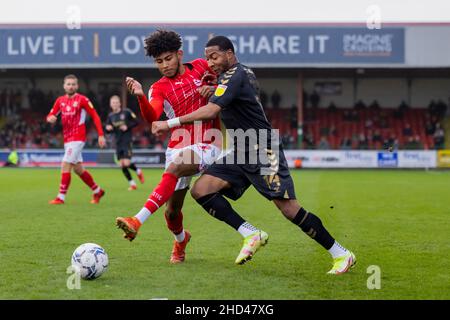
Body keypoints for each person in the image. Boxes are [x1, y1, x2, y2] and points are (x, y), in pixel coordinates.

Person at [152, 35, 356, 274]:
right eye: (207, 57)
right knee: (201, 189)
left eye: (215, 56)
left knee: (289, 208)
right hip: (241, 148)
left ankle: (340, 253)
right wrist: (213, 87)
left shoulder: (235, 74)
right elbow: (225, 93)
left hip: (261, 146)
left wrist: (169, 123)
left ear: (229, 53)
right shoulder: (233, 75)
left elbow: (211, 111)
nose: (210, 62)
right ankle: (251, 234)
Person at [115, 29, 224, 264]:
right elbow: (153, 117)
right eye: (159, 61)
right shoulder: (159, 88)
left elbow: (227, 82)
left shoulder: (201, 67)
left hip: (208, 140)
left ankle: (137, 220)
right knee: (171, 212)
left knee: (175, 167)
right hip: (178, 145)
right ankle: (181, 240)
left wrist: (215, 86)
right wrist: (141, 97)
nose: (164, 65)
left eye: (168, 58)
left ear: (179, 54)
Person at [46, 74, 106, 204]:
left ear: (77, 86)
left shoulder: (82, 99)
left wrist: (101, 134)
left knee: (65, 164)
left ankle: (60, 197)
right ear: (64, 86)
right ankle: (97, 191)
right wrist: (50, 118)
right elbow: (51, 114)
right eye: (68, 84)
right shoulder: (60, 100)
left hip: (78, 138)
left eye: (73, 84)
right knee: (78, 169)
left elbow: (95, 116)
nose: (71, 86)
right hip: (67, 139)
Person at [105, 95, 145, 191]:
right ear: (111, 105)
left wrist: (127, 126)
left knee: (126, 163)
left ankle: (138, 171)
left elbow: (137, 121)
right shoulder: (110, 116)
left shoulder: (126, 112)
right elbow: (108, 129)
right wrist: (108, 129)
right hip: (118, 142)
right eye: (113, 103)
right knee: (122, 165)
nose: (114, 104)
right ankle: (132, 184)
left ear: (119, 103)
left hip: (127, 140)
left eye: (116, 102)